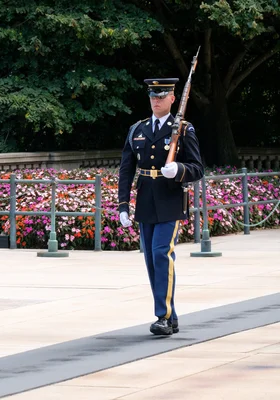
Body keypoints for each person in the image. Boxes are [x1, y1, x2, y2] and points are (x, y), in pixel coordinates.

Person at [117, 78, 204, 335]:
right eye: (153, 96)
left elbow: (197, 168)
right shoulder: (138, 130)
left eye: (161, 95)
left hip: (170, 201)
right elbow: (126, 170)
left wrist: (179, 169)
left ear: (172, 99)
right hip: (145, 200)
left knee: (160, 253)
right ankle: (172, 315)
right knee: (151, 261)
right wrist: (123, 205)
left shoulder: (184, 130)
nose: (156, 100)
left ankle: (162, 317)